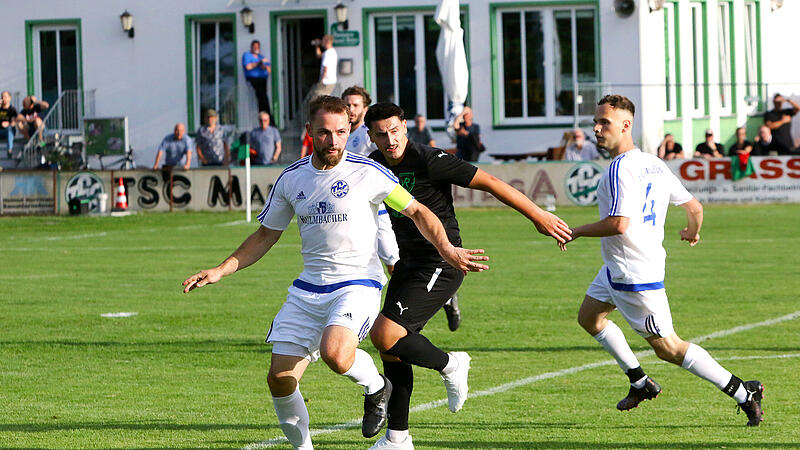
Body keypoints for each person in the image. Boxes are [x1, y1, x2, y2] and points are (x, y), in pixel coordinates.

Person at [182, 95, 488, 449]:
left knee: (336, 352)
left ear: (349, 130)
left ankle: (377, 388)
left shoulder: (368, 172)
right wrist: (223, 269)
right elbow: (266, 235)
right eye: (325, 133)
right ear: (311, 132)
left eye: (341, 132)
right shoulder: (292, 179)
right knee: (280, 379)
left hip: (358, 283)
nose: (334, 141)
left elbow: (418, 211)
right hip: (308, 290)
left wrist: (447, 248)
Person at [364, 102, 572, 449]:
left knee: (384, 334)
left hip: (443, 261)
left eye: (395, 131)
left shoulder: (428, 158)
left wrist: (538, 215)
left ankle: (452, 364)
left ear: (405, 127)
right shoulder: (372, 166)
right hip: (408, 263)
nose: (390, 140)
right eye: (381, 135)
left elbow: (489, 181)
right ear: (370, 135)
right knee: (392, 351)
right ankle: (397, 439)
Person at [566, 94, 763, 428]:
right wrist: (692, 232)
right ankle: (640, 383)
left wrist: (573, 231)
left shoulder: (618, 168)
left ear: (626, 126)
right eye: (595, 123)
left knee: (669, 348)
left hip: (634, 276)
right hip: (617, 268)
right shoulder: (654, 163)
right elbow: (695, 208)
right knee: (590, 318)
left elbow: (619, 223)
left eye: (604, 123)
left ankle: (744, 392)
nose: (597, 129)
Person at [341, 85, 401, 275]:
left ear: (365, 108)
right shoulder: (342, 134)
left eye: (356, 105)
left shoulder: (369, 134)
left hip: (376, 202)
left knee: (392, 258)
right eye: (347, 104)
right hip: (351, 205)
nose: (351, 109)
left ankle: (437, 296)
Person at [242, 40, 272, 116]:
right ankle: (264, 116)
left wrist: (264, 66)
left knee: (264, 98)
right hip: (254, 79)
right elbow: (248, 67)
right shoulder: (247, 55)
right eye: (254, 47)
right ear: (251, 47)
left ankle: (266, 116)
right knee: (262, 97)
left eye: (258, 47)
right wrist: (258, 63)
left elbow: (269, 69)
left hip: (263, 80)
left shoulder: (261, 57)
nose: (256, 48)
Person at [308, 35, 338, 99]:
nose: (321, 42)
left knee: (315, 99)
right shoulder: (332, 52)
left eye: (323, 40)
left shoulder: (327, 53)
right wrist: (317, 46)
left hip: (325, 82)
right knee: (324, 99)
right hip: (331, 82)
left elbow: (325, 69)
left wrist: (321, 81)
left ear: (326, 42)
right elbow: (319, 56)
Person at [0, 91, 17, 156]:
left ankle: (9, 150)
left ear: (9, 98)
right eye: (2, 97)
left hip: (8, 131)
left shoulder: (12, 109)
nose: (3, 98)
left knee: (9, 129)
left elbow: (13, 123)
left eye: (5, 96)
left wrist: (8, 124)